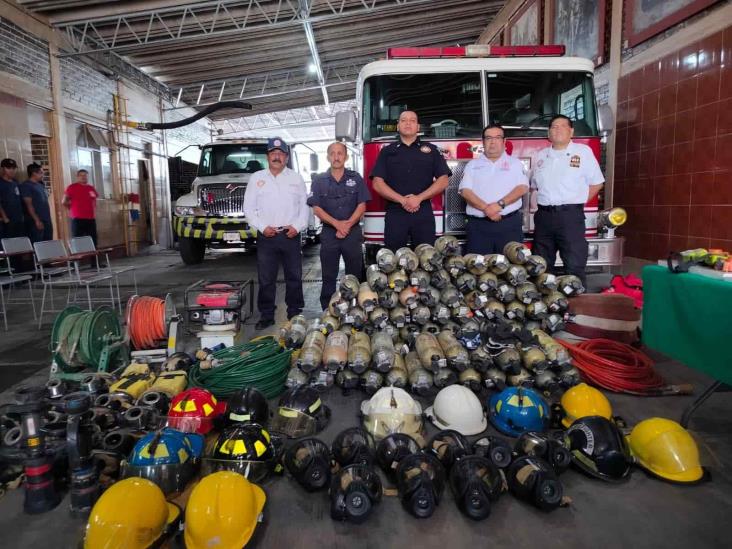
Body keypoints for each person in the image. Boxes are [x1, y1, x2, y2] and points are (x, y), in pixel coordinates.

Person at [530, 115, 604, 285]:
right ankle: (547, 305)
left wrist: (576, 203)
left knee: (574, 264)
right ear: (549, 132)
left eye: (562, 126)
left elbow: (597, 183)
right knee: (541, 266)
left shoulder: (583, 152)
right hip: (544, 217)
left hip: (570, 216)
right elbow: (534, 186)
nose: (557, 130)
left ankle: (576, 308)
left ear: (571, 131)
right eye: (554, 127)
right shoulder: (541, 156)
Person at [243, 137, 308, 330]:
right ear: (267, 156)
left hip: (290, 235)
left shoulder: (296, 178)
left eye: (281, 154)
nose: (277, 156)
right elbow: (248, 208)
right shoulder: (257, 178)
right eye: (273, 153)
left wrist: (297, 226)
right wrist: (262, 227)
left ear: (286, 158)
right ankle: (266, 315)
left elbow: (305, 207)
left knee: (294, 276)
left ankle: (295, 312)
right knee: (266, 278)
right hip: (267, 236)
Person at [370, 111, 451, 250]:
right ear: (398, 126)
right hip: (396, 213)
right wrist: (403, 200)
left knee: (426, 258)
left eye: (412, 120)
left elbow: (443, 180)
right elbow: (377, 183)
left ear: (418, 127)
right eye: (403, 120)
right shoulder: (386, 151)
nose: (408, 123)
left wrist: (418, 198)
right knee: (394, 259)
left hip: (423, 212)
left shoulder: (432, 150)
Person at [308, 142, 370, 310]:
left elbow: (362, 205)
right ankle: (327, 311)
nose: (336, 157)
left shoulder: (356, 178)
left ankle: (355, 309)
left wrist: (347, 225)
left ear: (346, 156)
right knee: (328, 275)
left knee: (354, 274)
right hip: (329, 234)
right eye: (333, 153)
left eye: (340, 153)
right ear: (328, 157)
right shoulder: (319, 181)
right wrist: (337, 224)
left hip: (352, 234)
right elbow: (317, 209)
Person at [458, 124, 529, 254]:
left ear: (504, 141)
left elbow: (522, 188)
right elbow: (465, 191)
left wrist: (498, 205)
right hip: (478, 227)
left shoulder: (515, 164)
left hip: (509, 225)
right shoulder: (472, 165)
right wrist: (487, 208)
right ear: (483, 142)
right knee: (478, 268)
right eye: (489, 138)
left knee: (511, 269)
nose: (493, 142)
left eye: (497, 137)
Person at [63, 169, 99, 244]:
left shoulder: (91, 188)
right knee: (77, 241)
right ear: (77, 177)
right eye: (81, 175)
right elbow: (64, 201)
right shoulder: (72, 187)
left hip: (90, 219)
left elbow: (94, 201)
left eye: (85, 175)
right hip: (77, 219)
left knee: (93, 240)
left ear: (87, 177)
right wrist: (70, 209)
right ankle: (78, 255)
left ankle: (93, 256)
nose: (83, 177)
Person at [21, 163, 53, 242]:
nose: (43, 175)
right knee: (38, 243)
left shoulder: (40, 185)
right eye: (41, 173)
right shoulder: (26, 186)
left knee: (48, 242)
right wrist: (37, 220)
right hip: (35, 220)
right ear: (34, 173)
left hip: (46, 219)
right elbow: (29, 205)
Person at [0, 158, 25, 240]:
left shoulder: (15, 182)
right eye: (9, 168)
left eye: (14, 168)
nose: (12, 170)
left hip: (18, 219)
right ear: (3, 169)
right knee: (8, 245)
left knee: (19, 243)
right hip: (7, 220)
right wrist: (5, 218)